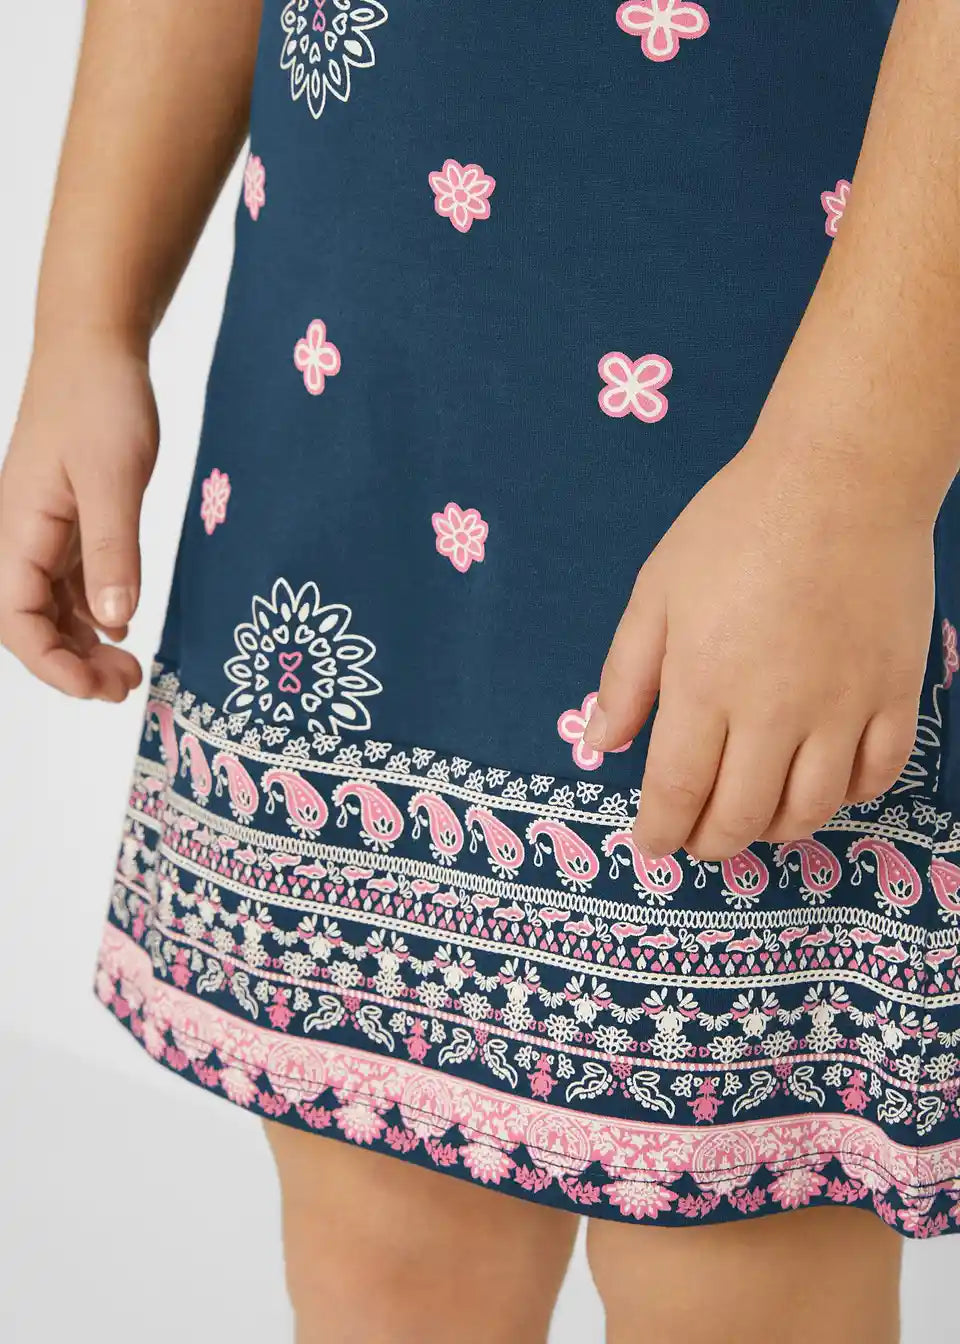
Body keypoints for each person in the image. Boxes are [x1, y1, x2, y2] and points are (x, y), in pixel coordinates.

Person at [2, 0, 958, 1339]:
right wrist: (85, 321)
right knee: (381, 1242)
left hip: (786, 354)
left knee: (735, 1264)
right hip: (360, 352)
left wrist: (852, 469)